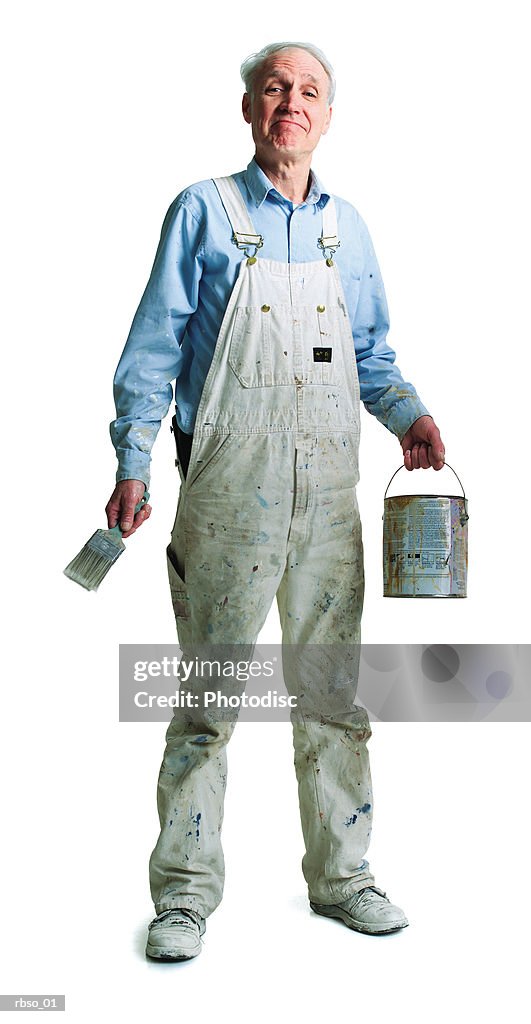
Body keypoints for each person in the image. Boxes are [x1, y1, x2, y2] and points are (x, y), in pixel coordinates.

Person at [106, 41, 445, 961]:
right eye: (273, 89)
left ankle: (341, 879)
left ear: (328, 117)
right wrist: (133, 457)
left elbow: (370, 355)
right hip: (229, 495)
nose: (289, 102)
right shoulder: (203, 212)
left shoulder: (349, 229)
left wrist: (408, 414)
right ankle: (182, 896)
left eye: (308, 92)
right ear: (249, 109)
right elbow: (152, 350)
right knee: (211, 699)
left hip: (329, 496)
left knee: (332, 699)